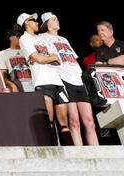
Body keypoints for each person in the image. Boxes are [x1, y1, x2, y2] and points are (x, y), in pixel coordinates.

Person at [41, 12, 97, 146]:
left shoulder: (64, 39)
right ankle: (80, 155)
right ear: (46, 23)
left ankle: (96, 152)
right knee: (73, 121)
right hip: (64, 80)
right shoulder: (43, 38)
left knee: (89, 121)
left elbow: (73, 60)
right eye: (54, 19)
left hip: (78, 80)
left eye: (57, 19)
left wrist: (82, 77)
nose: (57, 21)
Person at [20, 11, 67, 136]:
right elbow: (40, 59)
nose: (37, 23)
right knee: (49, 122)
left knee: (64, 125)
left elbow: (56, 58)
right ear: (26, 23)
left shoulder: (41, 38)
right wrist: (45, 58)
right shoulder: (24, 39)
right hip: (42, 82)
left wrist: (44, 58)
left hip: (57, 81)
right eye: (34, 21)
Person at [0, 25, 32, 92]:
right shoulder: (4, 53)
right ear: (11, 37)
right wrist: (11, 85)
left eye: (21, 36)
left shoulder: (29, 51)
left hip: (34, 87)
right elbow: (2, 76)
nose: (21, 39)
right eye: (18, 36)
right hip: (18, 89)